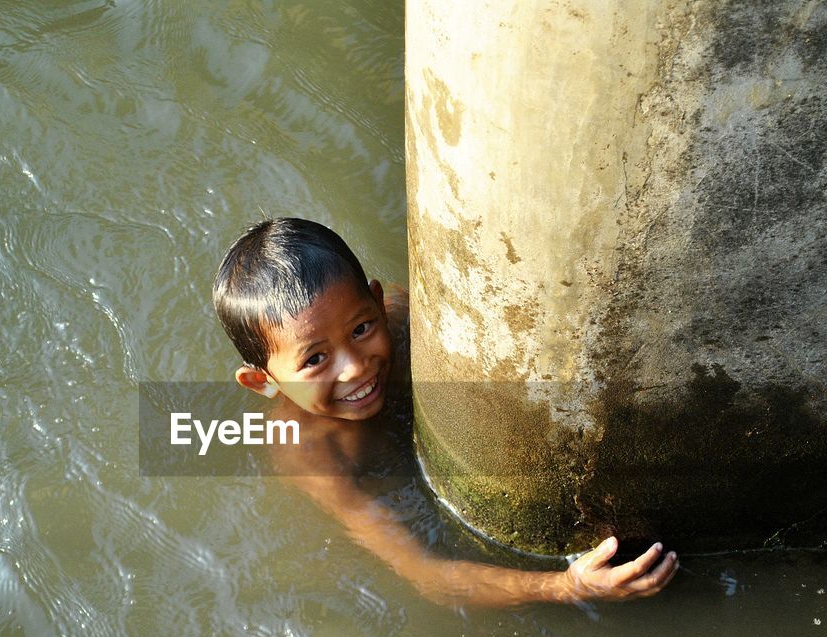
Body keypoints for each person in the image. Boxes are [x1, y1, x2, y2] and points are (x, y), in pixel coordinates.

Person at [212, 217, 677, 608]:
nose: (356, 366)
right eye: (315, 360)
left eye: (360, 327)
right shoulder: (311, 457)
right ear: (264, 381)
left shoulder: (400, 317)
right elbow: (423, 574)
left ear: (376, 302)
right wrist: (565, 586)